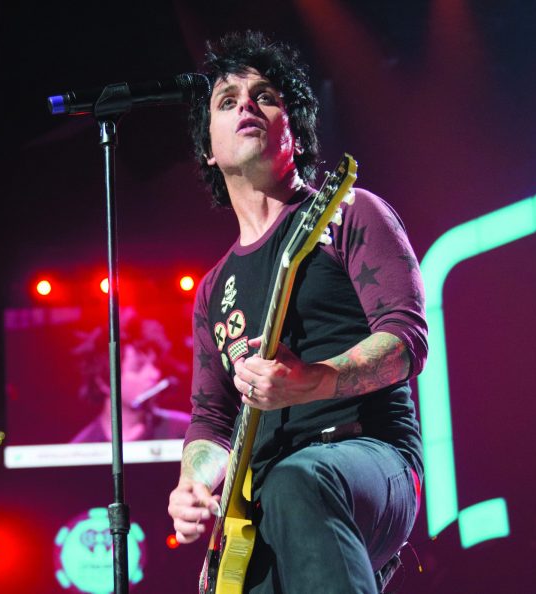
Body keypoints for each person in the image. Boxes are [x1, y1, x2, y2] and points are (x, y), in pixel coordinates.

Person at [166, 31, 427, 594]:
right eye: (227, 101)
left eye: (264, 96)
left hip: (368, 455)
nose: (246, 106)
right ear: (208, 149)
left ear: (296, 133)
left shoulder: (350, 212)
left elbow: (406, 341)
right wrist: (194, 483)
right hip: (264, 498)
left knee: (298, 482)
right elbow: (212, 420)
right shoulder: (212, 290)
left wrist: (314, 380)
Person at [71, 307, 190, 443]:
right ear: (105, 381)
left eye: (155, 364)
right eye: (138, 367)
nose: (155, 374)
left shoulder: (185, 432)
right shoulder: (83, 446)